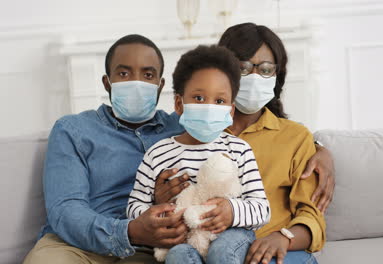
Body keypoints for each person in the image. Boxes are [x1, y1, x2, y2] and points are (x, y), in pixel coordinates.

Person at [24, 32, 334, 264]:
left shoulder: (195, 128)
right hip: (88, 243)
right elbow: (66, 210)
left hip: (159, 246)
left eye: (147, 75)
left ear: (160, 86)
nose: (136, 82)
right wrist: (135, 227)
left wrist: (321, 147)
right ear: (107, 83)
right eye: (123, 73)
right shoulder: (75, 130)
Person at [156, 23, 326, 264]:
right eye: (243, 67)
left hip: (272, 252)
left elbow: (312, 216)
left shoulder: (296, 137)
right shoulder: (193, 127)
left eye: (266, 69)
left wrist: (283, 237)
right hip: (202, 247)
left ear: (277, 77)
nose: (255, 77)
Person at [127, 45, 270, 263]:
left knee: (222, 251)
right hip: (183, 240)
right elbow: (134, 207)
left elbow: (262, 209)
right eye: (199, 98)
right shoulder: (158, 154)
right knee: (177, 256)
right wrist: (161, 216)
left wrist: (232, 211)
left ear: (230, 111)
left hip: (231, 235)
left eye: (219, 101)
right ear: (179, 103)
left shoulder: (239, 150)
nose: (209, 107)